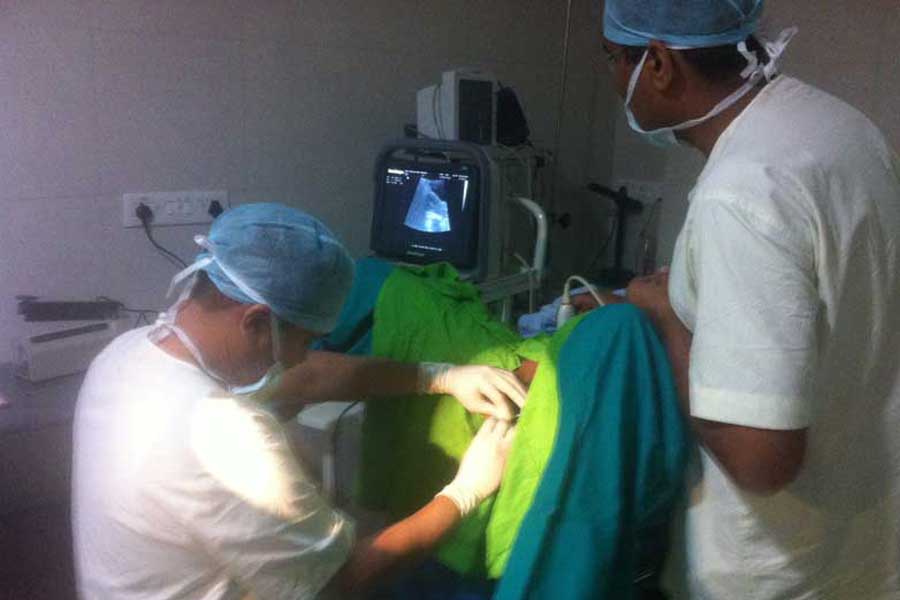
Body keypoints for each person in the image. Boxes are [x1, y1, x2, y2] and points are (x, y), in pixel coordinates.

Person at [72, 203, 526, 599]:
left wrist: (437, 376)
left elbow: (307, 379)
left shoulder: (128, 354)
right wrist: (464, 493)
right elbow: (340, 582)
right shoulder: (226, 435)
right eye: (306, 340)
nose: (301, 357)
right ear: (255, 322)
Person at [602, 1, 900, 598]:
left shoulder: (741, 194)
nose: (614, 79)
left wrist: (667, 318)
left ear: (658, 63)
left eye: (614, 59)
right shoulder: (840, 126)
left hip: (780, 572)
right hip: (869, 545)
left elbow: (760, 457)